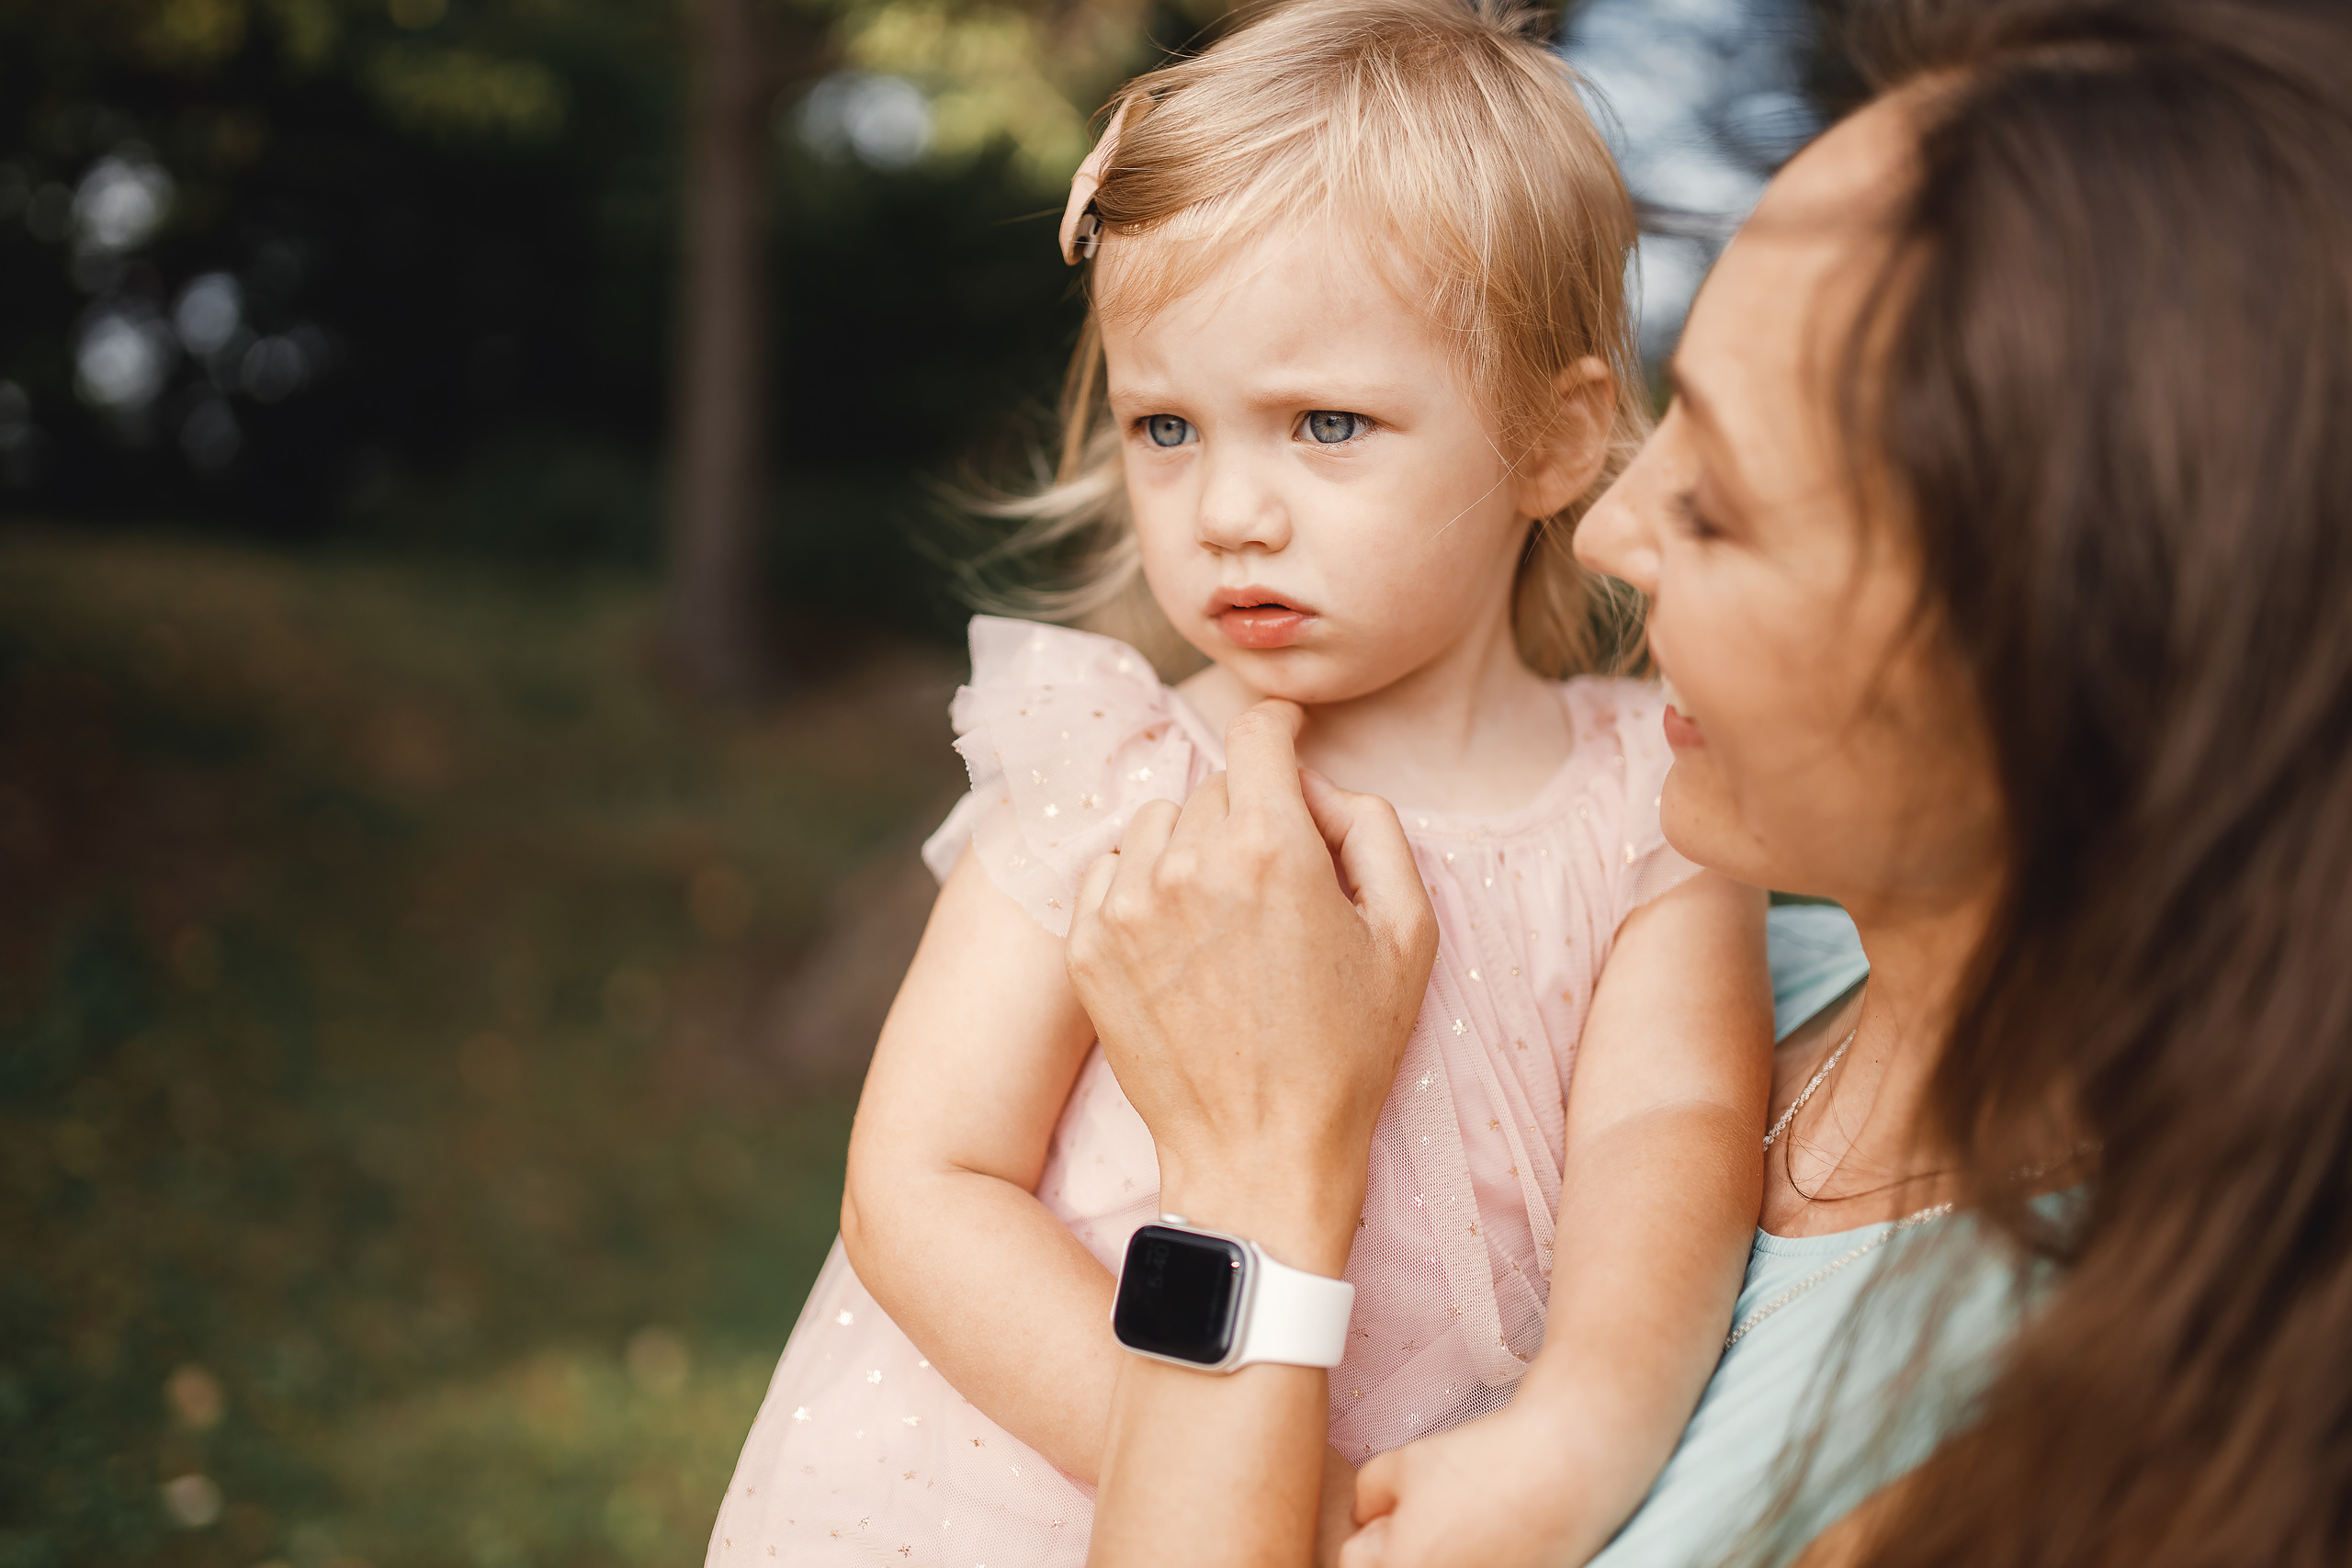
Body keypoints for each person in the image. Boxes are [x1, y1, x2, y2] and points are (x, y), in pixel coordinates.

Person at [1067, 0, 2352, 1564]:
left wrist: (1252, 1181)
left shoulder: (2079, 1420)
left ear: (2054, 641)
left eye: (1725, 502)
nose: (1608, 531)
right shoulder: (1704, 969)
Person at [705, 3, 1781, 1562]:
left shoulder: (1645, 799)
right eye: (1166, 426)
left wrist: (1577, 1430)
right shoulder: (1118, 762)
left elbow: (1670, 1138)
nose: (1227, 512)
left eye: (1324, 424)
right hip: (1020, 1493)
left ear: (1554, 446)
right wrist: (1206, 1459)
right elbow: (925, 1178)